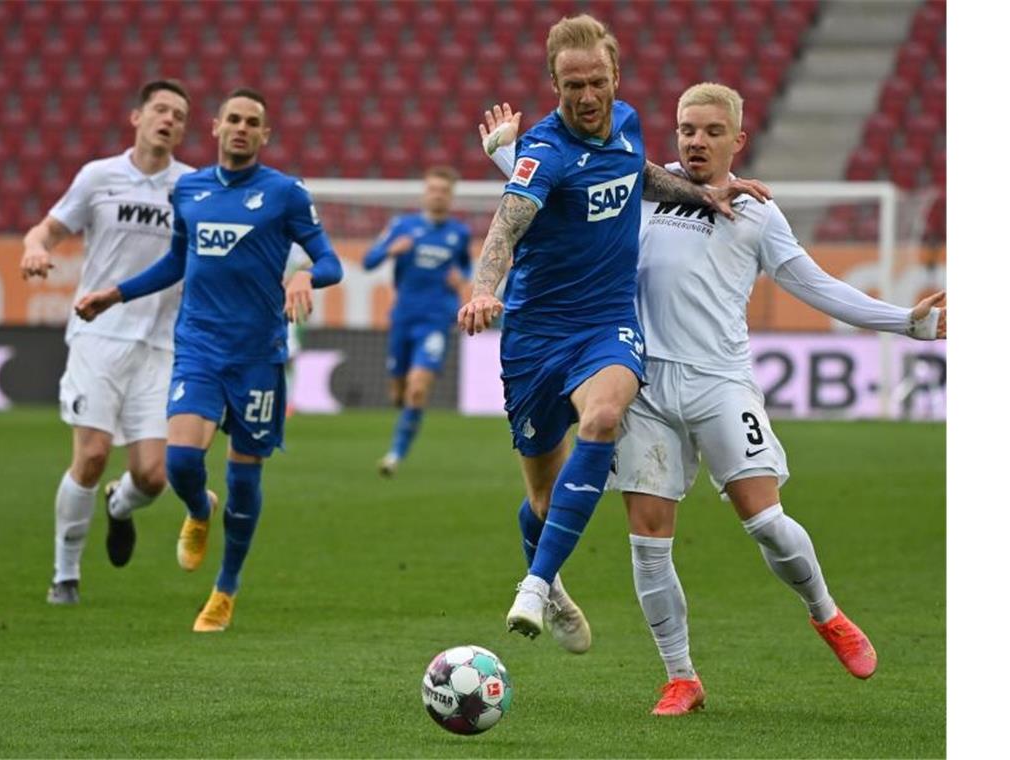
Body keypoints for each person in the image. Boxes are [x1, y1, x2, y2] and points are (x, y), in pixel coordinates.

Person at [480, 83, 946, 715]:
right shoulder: (639, 187)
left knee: (767, 523)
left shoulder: (756, 210)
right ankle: (682, 678)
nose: (696, 141)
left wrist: (906, 323)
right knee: (649, 541)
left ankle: (826, 613)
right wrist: (507, 156)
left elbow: (815, 285)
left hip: (721, 383)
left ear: (737, 140)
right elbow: (569, 186)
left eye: (710, 131)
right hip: (641, 379)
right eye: (686, 129)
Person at [456, 15, 771, 653]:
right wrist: (484, 288)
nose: (588, 96)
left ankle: (534, 585)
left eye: (597, 81)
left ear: (616, 77)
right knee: (543, 501)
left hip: (607, 326)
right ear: (555, 84)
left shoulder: (626, 123)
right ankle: (555, 584)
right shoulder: (542, 156)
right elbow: (505, 228)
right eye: (573, 85)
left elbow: (641, 178)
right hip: (535, 341)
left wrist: (703, 192)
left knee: (603, 418)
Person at [73, 88, 344, 632]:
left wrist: (303, 274)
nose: (242, 128)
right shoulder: (189, 190)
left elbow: (330, 260)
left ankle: (225, 590)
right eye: (234, 119)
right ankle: (199, 510)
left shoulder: (285, 193)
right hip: (198, 347)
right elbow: (177, 260)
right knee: (180, 465)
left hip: (258, 357)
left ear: (264, 135)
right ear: (217, 127)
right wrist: (116, 293)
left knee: (245, 480)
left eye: (254, 122)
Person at [20, 79, 193, 605]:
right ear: (136, 117)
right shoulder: (98, 177)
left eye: (179, 115)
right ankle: (64, 575)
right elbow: (46, 231)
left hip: (160, 346)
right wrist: (33, 249)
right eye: (160, 109)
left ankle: (120, 507)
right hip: (98, 336)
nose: (168, 119)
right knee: (91, 455)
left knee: (153, 476)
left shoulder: (191, 187)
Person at [362, 166, 471, 477]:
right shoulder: (402, 226)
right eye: (433, 189)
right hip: (403, 317)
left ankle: (395, 456)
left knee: (418, 390)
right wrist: (390, 249)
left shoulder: (458, 233)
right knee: (398, 391)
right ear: (425, 193)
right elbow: (369, 261)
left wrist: (460, 278)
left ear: (450, 196)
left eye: (444, 190)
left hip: (436, 320)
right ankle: (405, 411)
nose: (438, 195)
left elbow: (464, 266)